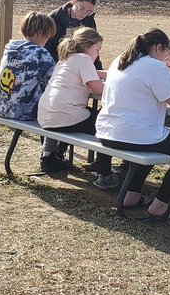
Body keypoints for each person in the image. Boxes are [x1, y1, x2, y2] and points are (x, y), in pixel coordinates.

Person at [96, 28, 170, 221]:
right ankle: (160, 205)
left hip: (106, 132)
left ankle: (132, 195)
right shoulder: (154, 66)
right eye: (166, 54)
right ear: (158, 48)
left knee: (153, 140)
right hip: (132, 133)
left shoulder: (120, 60)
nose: (166, 59)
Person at [37, 27, 117, 190]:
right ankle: (105, 174)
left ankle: (50, 156)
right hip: (65, 117)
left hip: (46, 115)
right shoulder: (83, 59)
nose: (98, 54)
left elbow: (97, 73)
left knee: (92, 116)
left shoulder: (66, 58)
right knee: (107, 123)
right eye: (97, 49)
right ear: (87, 46)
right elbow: (98, 89)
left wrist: (113, 74)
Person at [0, 12, 64, 172]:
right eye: (48, 36)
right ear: (41, 33)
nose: (49, 40)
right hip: (22, 111)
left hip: (2, 107)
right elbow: (56, 81)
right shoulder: (40, 54)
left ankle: (50, 154)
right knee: (60, 111)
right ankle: (50, 155)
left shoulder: (11, 48)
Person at [46, 0, 100, 69]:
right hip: (58, 66)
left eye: (89, 11)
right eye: (82, 8)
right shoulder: (54, 18)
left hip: (82, 66)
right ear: (75, 1)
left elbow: (93, 46)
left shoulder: (89, 20)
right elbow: (47, 47)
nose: (84, 14)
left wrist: (97, 69)